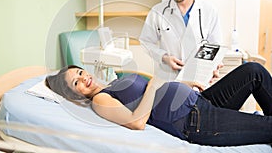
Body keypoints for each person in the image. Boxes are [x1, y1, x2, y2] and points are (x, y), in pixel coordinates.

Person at [45, 62, 272, 146]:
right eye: (77, 82)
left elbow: (156, 88)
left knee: (254, 72)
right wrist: (153, 86)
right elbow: (137, 122)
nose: (84, 78)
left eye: (81, 72)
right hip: (194, 121)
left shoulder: (111, 84)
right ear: (75, 94)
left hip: (200, 101)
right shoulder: (99, 100)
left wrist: (182, 83)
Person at [139, 0, 222, 82]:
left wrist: (213, 67)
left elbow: (215, 46)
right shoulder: (158, 11)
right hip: (167, 80)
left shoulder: (209, 11)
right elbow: (146, 42)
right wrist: (165, 57)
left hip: (198, 81)